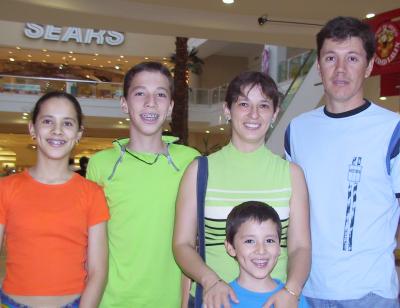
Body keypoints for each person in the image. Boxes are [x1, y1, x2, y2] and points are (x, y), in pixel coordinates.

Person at [285, 16, 400, 307]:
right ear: (320, 65)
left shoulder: (392, 130)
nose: (340, 69)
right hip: (306, 289)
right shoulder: (297, 130)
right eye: (330, 58)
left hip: (371, 294)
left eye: (352, 58)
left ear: (370, 66)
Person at [173, 71, 310, 308]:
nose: (253, 114)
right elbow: (181, 244)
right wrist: (211, 282)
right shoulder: (200, 171)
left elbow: (301, 246)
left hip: (276, 301)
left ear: (275, 113)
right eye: (244, 104)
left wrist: (291, 290)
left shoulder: (292, 174)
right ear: (227, 110)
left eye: (263, 105)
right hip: (216, 301)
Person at [86, 61, 199, 307]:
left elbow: (196, 237)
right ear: (124, 104)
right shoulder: (101, 165)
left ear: (170, 106)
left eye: (160, 94)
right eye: (140, 93)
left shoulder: (190, 160)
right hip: (110, 300)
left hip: (169, 301)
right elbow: (90, 243)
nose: (150, 102)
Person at [0, 91, 109, 308]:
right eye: (48, 121)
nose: (57, 130)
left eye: (67, 123)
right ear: (32, 128)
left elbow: (98, 271)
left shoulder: (92, 194)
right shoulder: (6, 189)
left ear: (79, 133)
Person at [225, 201, 309, 307]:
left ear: (279, 247)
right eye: (250, 241)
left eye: (269, 241)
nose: (261, 250)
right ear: (231, 248)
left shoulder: (293, 299)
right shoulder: (219, 300)